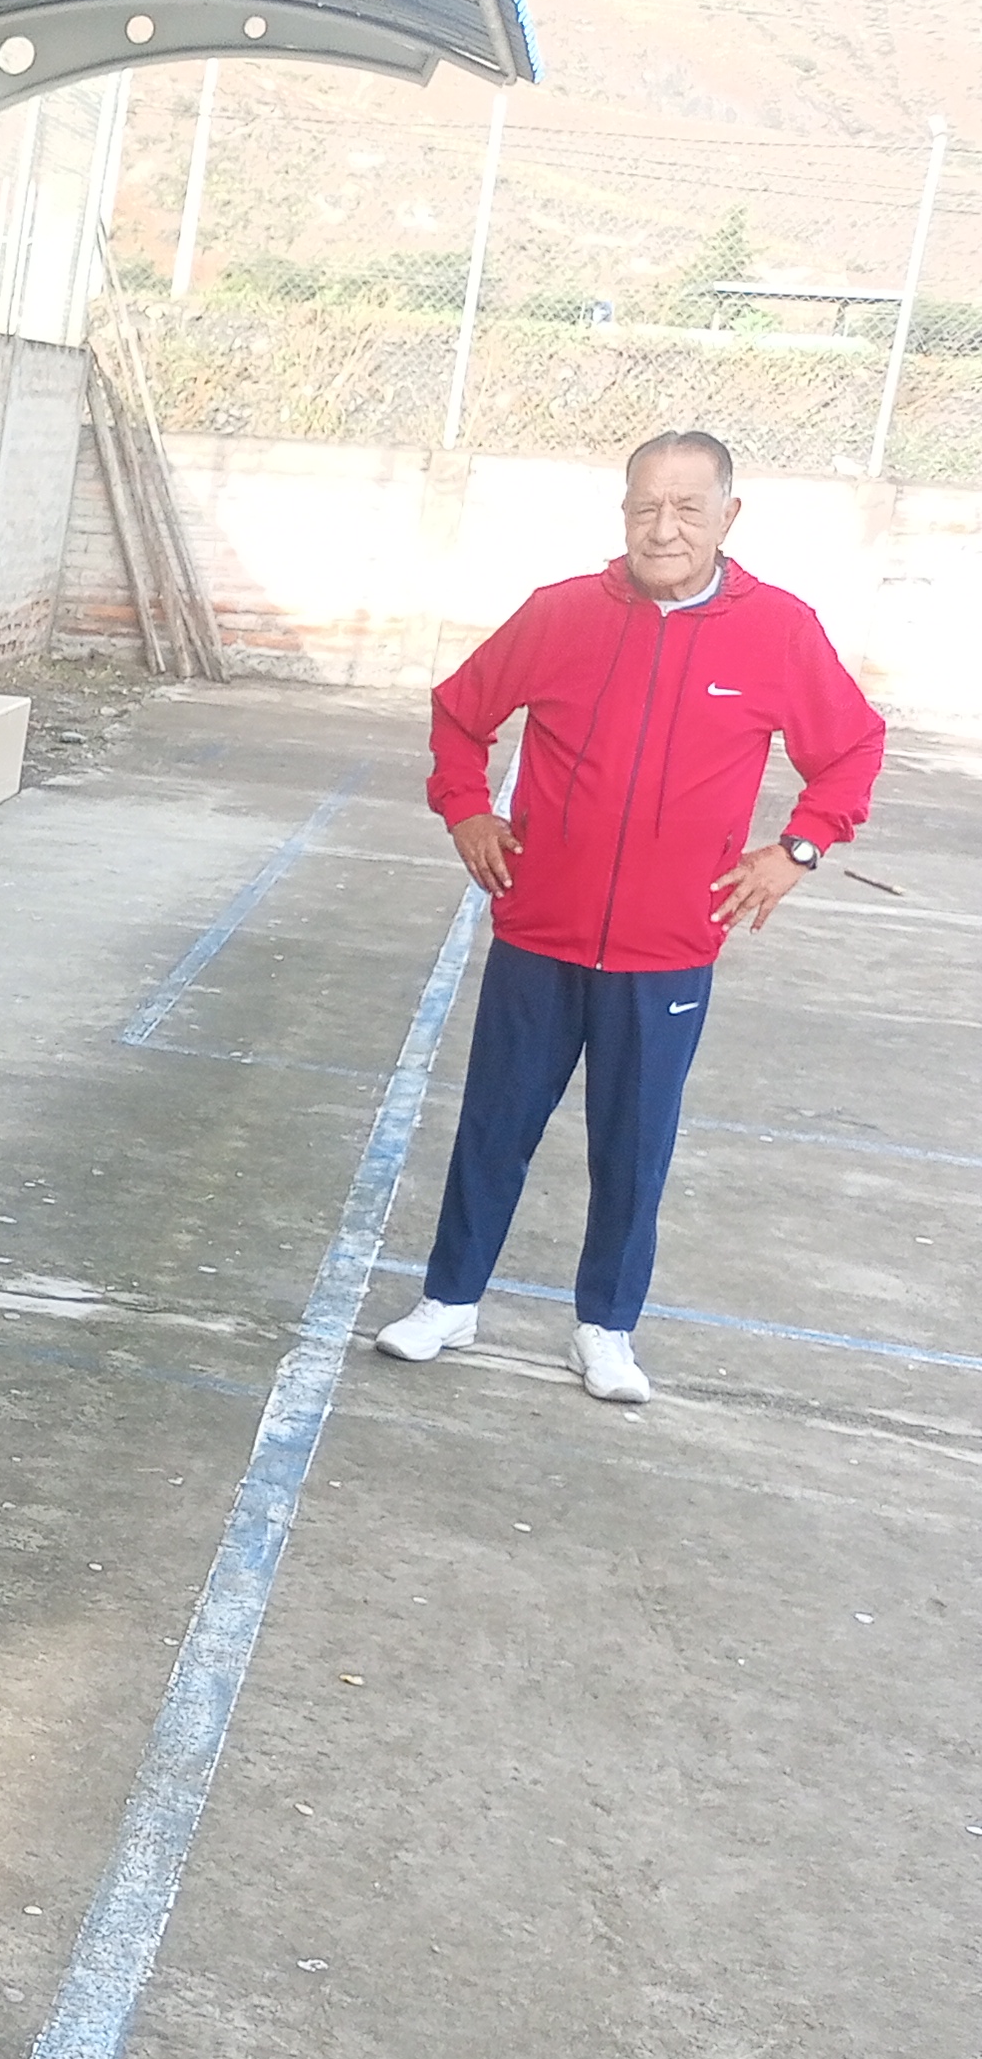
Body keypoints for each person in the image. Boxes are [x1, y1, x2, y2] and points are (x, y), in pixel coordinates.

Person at [369, 431, 887, 1403]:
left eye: (687, 508)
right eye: (645, 506)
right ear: (622, 513)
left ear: (727, 517)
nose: (663, 528)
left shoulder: (777, 630)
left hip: (667, 953)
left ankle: (605, 1329)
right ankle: (449, 1300)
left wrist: (797, 850)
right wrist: (466, 808)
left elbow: (852, 748)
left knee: (632, 1147)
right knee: (492, 1128)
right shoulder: (560, 613)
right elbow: (459, 712)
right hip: (538, 936)